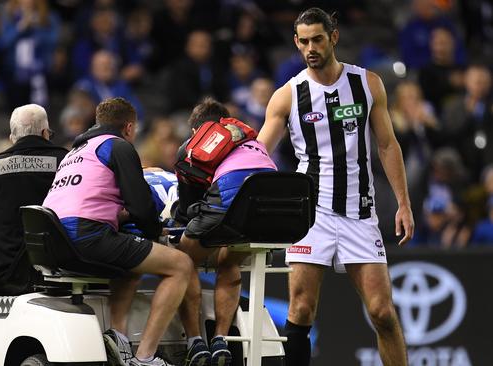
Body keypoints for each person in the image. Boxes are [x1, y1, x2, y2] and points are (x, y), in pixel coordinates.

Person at [257, 8, 414, 366]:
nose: (310, 48)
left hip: (360, 212)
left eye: (317, 39)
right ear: (296, 43)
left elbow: (388, 145)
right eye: (304, 41)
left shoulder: (367, 84)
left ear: (334, 37)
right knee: (301, 308)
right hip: (311, 215)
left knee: (383, 312)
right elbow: (259, 153)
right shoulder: (288, 95)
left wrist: (404, 203)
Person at [42, 97, 192, 366]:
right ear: (130, 128)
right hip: (87, 236)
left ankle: (119, 339)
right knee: (180, 265)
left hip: (54, 239)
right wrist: (156, 233)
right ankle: (145, 357)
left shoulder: (74, 152)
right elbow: (142, 207)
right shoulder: (118, 146)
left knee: (131, 258)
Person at [174, 98, 276, 366]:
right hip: (273, 205)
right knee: (229, 259)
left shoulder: (196, 144)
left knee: (183, 262)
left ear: (196, 130)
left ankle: (196, 342)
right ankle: (220, 339)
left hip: (231, 200)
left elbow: (186, 211)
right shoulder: (247, 137)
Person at [0, 104, 68, 296]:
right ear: (45, 132)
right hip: (59, 277)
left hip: (2, 279)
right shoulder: (68, 162)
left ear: (12, 138)